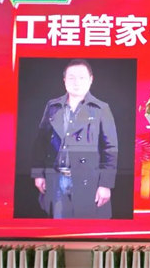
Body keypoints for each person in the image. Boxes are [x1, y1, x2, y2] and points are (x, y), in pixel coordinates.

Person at [31, 58, 118, 219]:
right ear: (64, 80)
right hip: (56, 179)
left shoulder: (101, 109)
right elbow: (41, 142)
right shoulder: (53, 106)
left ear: (90, 80)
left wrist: (105, 184)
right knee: (59, 227)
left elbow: (110, 149)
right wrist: (38, 174)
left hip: (88, 180)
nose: (76, 82)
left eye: (82, 77)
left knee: (86, 227)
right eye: (71, 78)